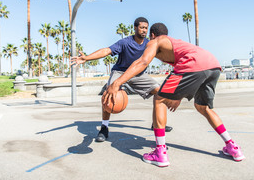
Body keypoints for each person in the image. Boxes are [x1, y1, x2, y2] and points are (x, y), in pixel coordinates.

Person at [103, 23, 245, 167]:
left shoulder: (155, 42)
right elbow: (186, 73)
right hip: (213, 65)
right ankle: (233, 147)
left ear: (152, 35)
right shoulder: (175, 43)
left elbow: (143, 62)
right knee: (203, 107)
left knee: (159, 99)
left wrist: (116, 83)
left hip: (194, 64)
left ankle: (160, 153)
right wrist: (178, 96)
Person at [70, 17, 172, 143]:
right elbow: (106, 50)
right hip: (120, 72)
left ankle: (156, 123)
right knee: (109, 93)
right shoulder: (125, 42)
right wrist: (87, 58)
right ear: (135, 28)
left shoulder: (149, 44)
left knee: (160, 92)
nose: (144, 30)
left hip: (137, 74)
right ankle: (104, 127)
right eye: (141, 27)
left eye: (146, 28)